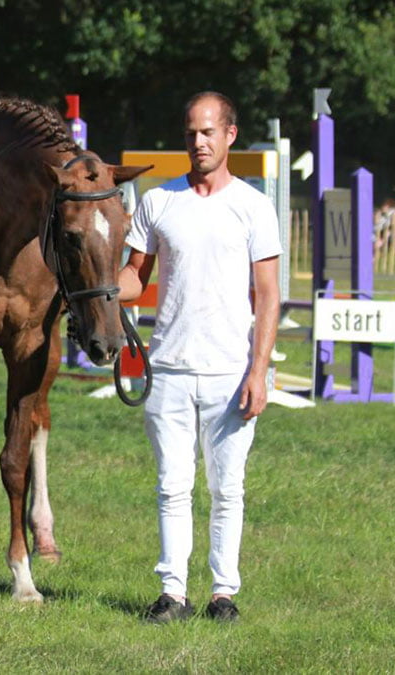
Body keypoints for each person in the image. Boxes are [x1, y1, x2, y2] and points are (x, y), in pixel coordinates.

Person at [117, 92, 282, 624]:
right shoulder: (158, 202)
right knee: (172, 485)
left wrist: (259, 371)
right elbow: (132, 278)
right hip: (167, 368)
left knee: (227, 488)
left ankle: (222, 594)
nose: (198, 142)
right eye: (191, 132)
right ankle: (173, 593)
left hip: (231, 371)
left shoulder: (254, 207)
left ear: (229, 135)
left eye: (208, 132)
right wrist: (91, 282)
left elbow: (269, 294)